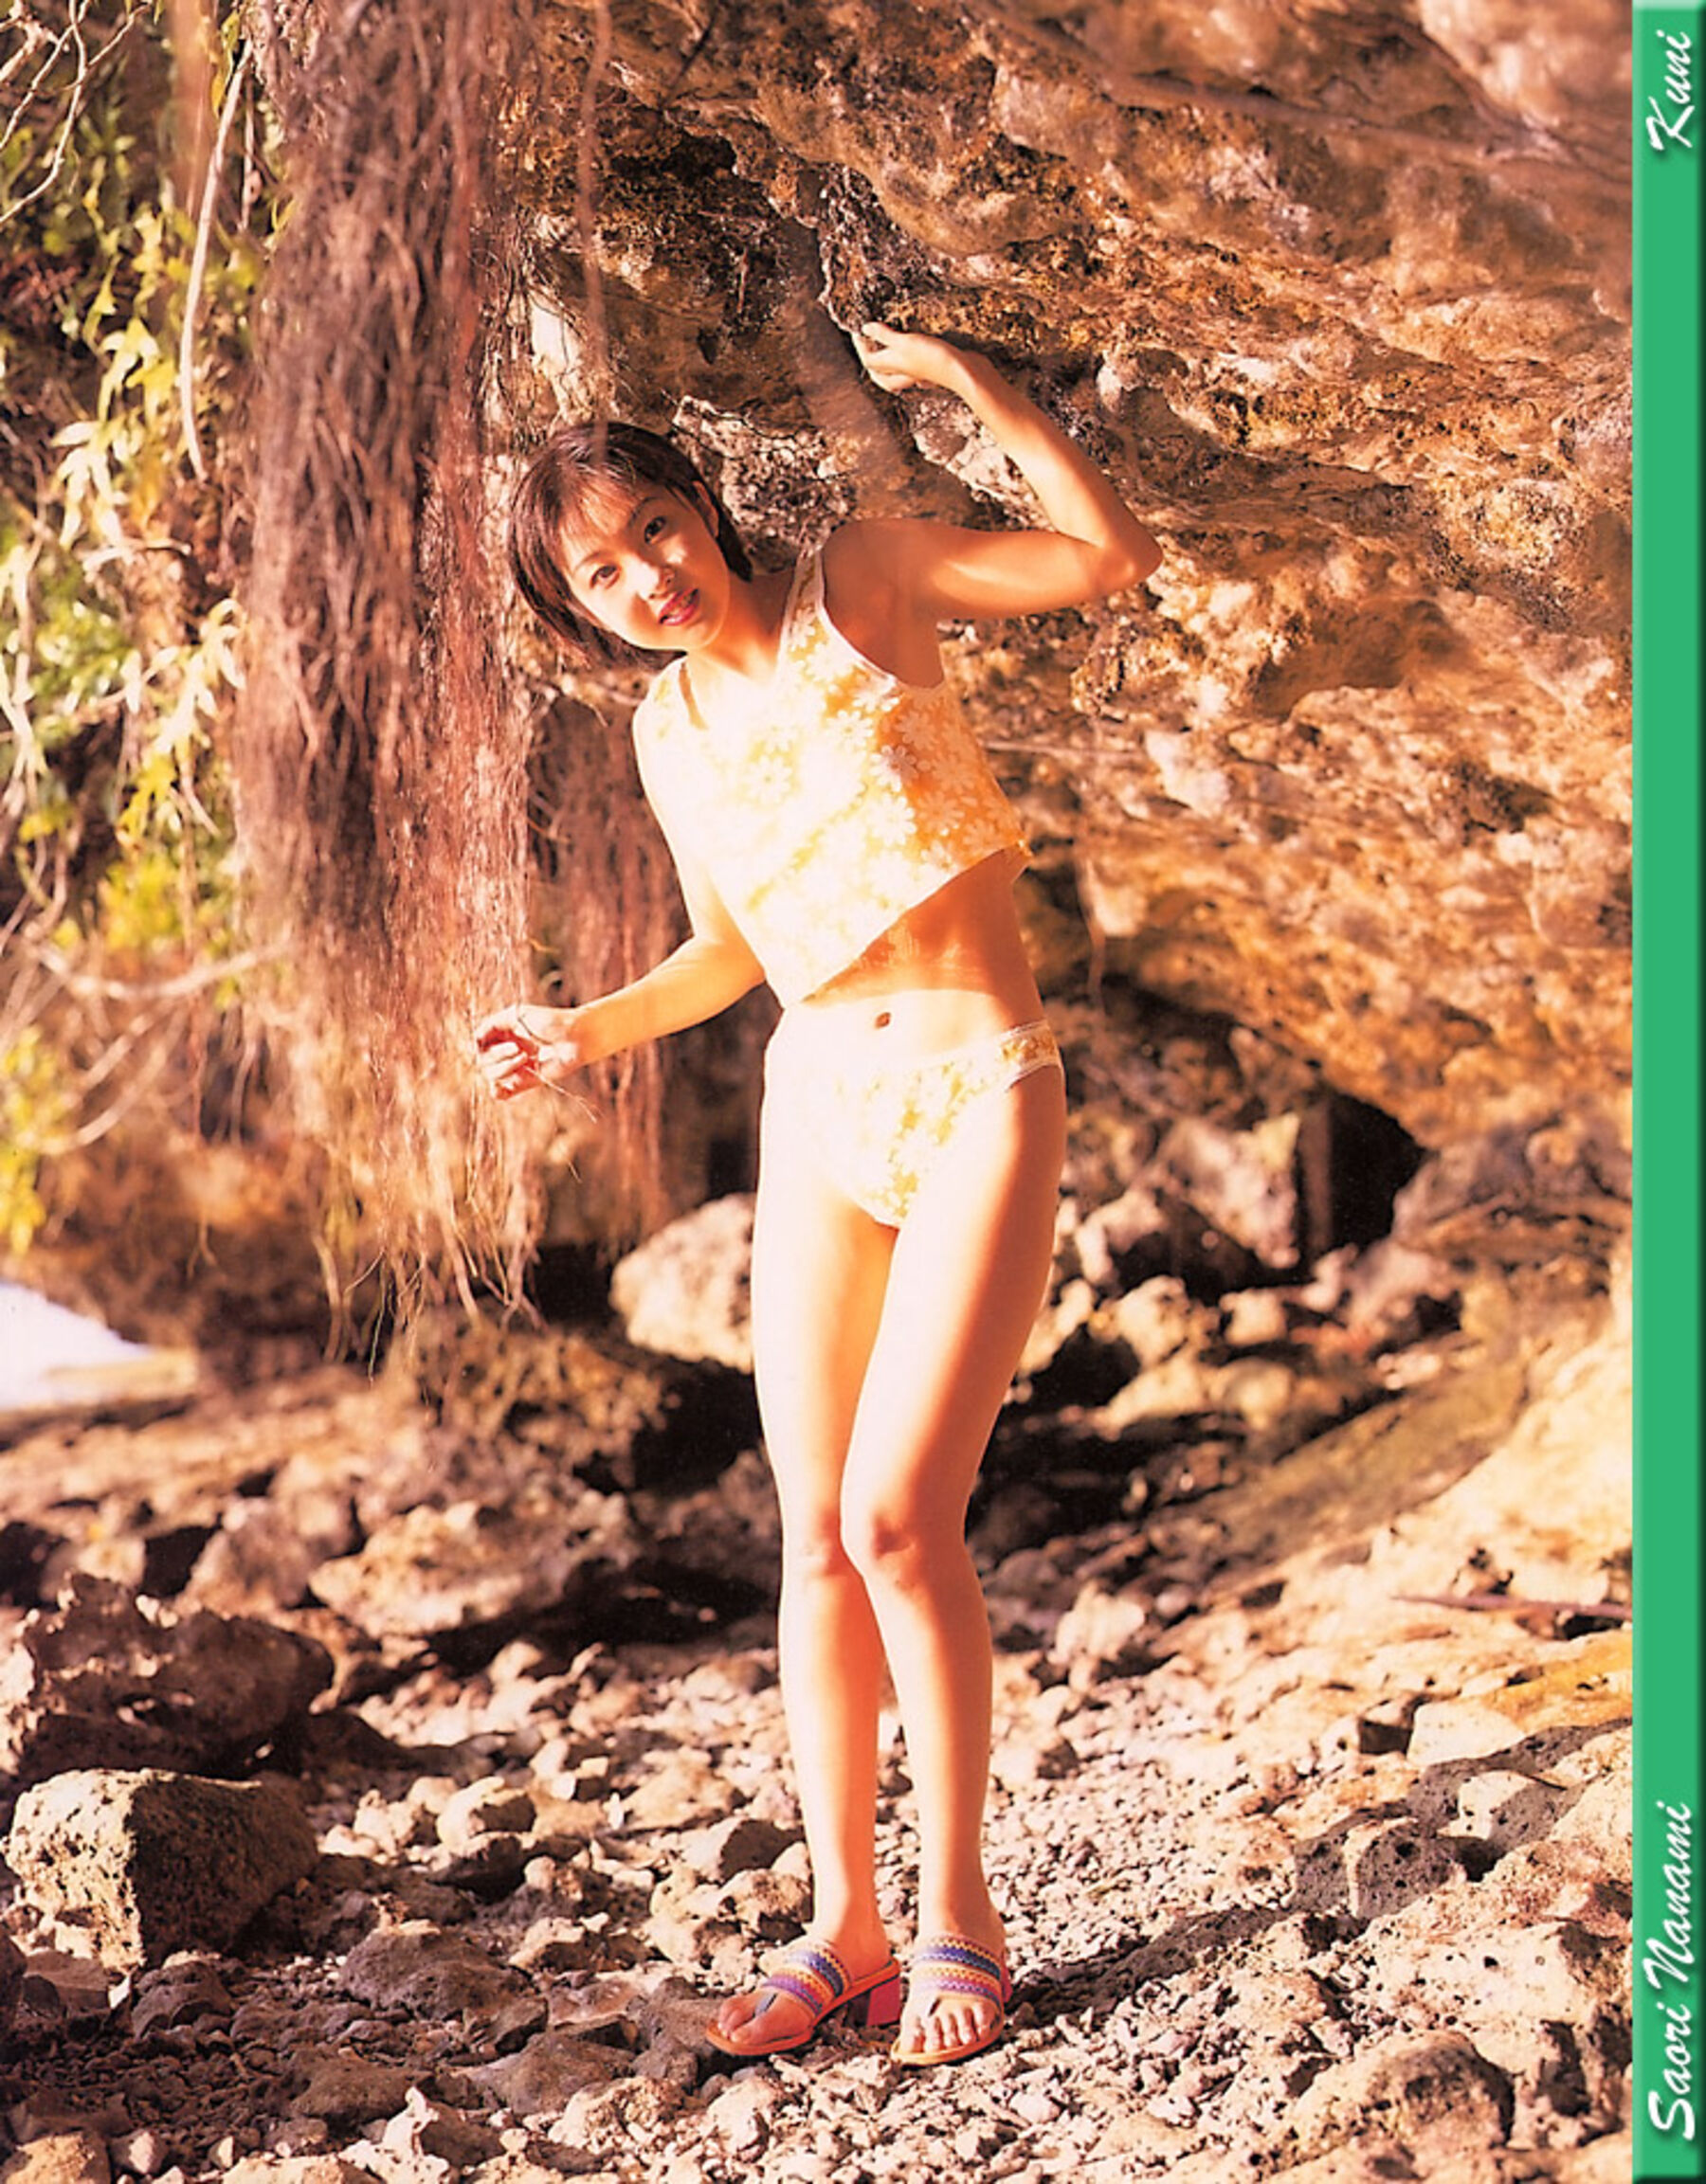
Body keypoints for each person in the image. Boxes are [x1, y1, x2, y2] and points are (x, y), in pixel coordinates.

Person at [476, 324, 1161, 2067]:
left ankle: (957, 1910)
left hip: (979, 1082)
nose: (648, 577)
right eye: (603, 574)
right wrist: (580, 1027)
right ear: (582, 608)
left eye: (654, 529)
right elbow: (726, 951)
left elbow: (1106, 557)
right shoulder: (667, 730)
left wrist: (988, 398)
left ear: (701, 505)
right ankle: (844, 1922)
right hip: (819, 1112)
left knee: (900, 1518)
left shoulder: (867, 580)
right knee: (811, 1538)